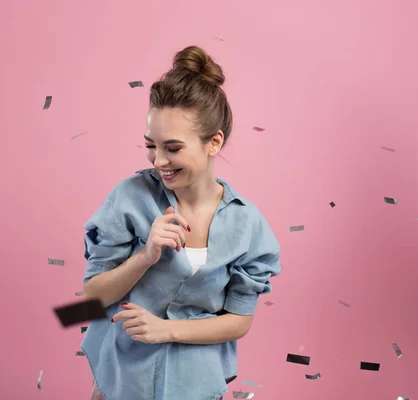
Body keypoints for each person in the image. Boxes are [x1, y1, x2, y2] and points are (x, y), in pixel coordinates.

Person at [81, 45, 281, 400]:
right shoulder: (128, 198)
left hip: (197, 386)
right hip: (122, 385)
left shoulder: (248, 224)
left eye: (172, 148)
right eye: (150, 145)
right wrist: (145, 256)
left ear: (213, 142)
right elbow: (91, 298)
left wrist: (166, 330)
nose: (159, 160)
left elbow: (238, 321)